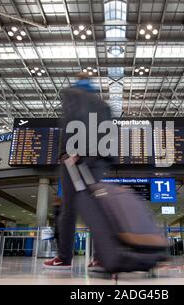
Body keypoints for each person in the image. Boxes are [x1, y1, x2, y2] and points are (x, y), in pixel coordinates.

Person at [43, 72, 112, 271]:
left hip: (76, 158)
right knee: (96, 210)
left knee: (69, 210)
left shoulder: (73, 95)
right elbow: (109, 132)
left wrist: (70, 152)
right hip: (97, 159)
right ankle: (100, 258)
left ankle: (64, 258)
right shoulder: (103, 104)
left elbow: (72, 122)